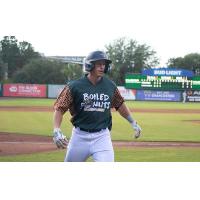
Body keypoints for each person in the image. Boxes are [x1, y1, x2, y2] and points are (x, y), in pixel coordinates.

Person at [53, 50, 142, 162]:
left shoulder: (110, 86)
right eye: (98, 64)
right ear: (90, 65)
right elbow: (60, 108)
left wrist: (133, 122)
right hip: (79, 137)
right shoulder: (74, 86)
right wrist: (56, 129)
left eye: (104, 64)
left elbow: (120, 104)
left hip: (102, 137)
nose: (102, 67)